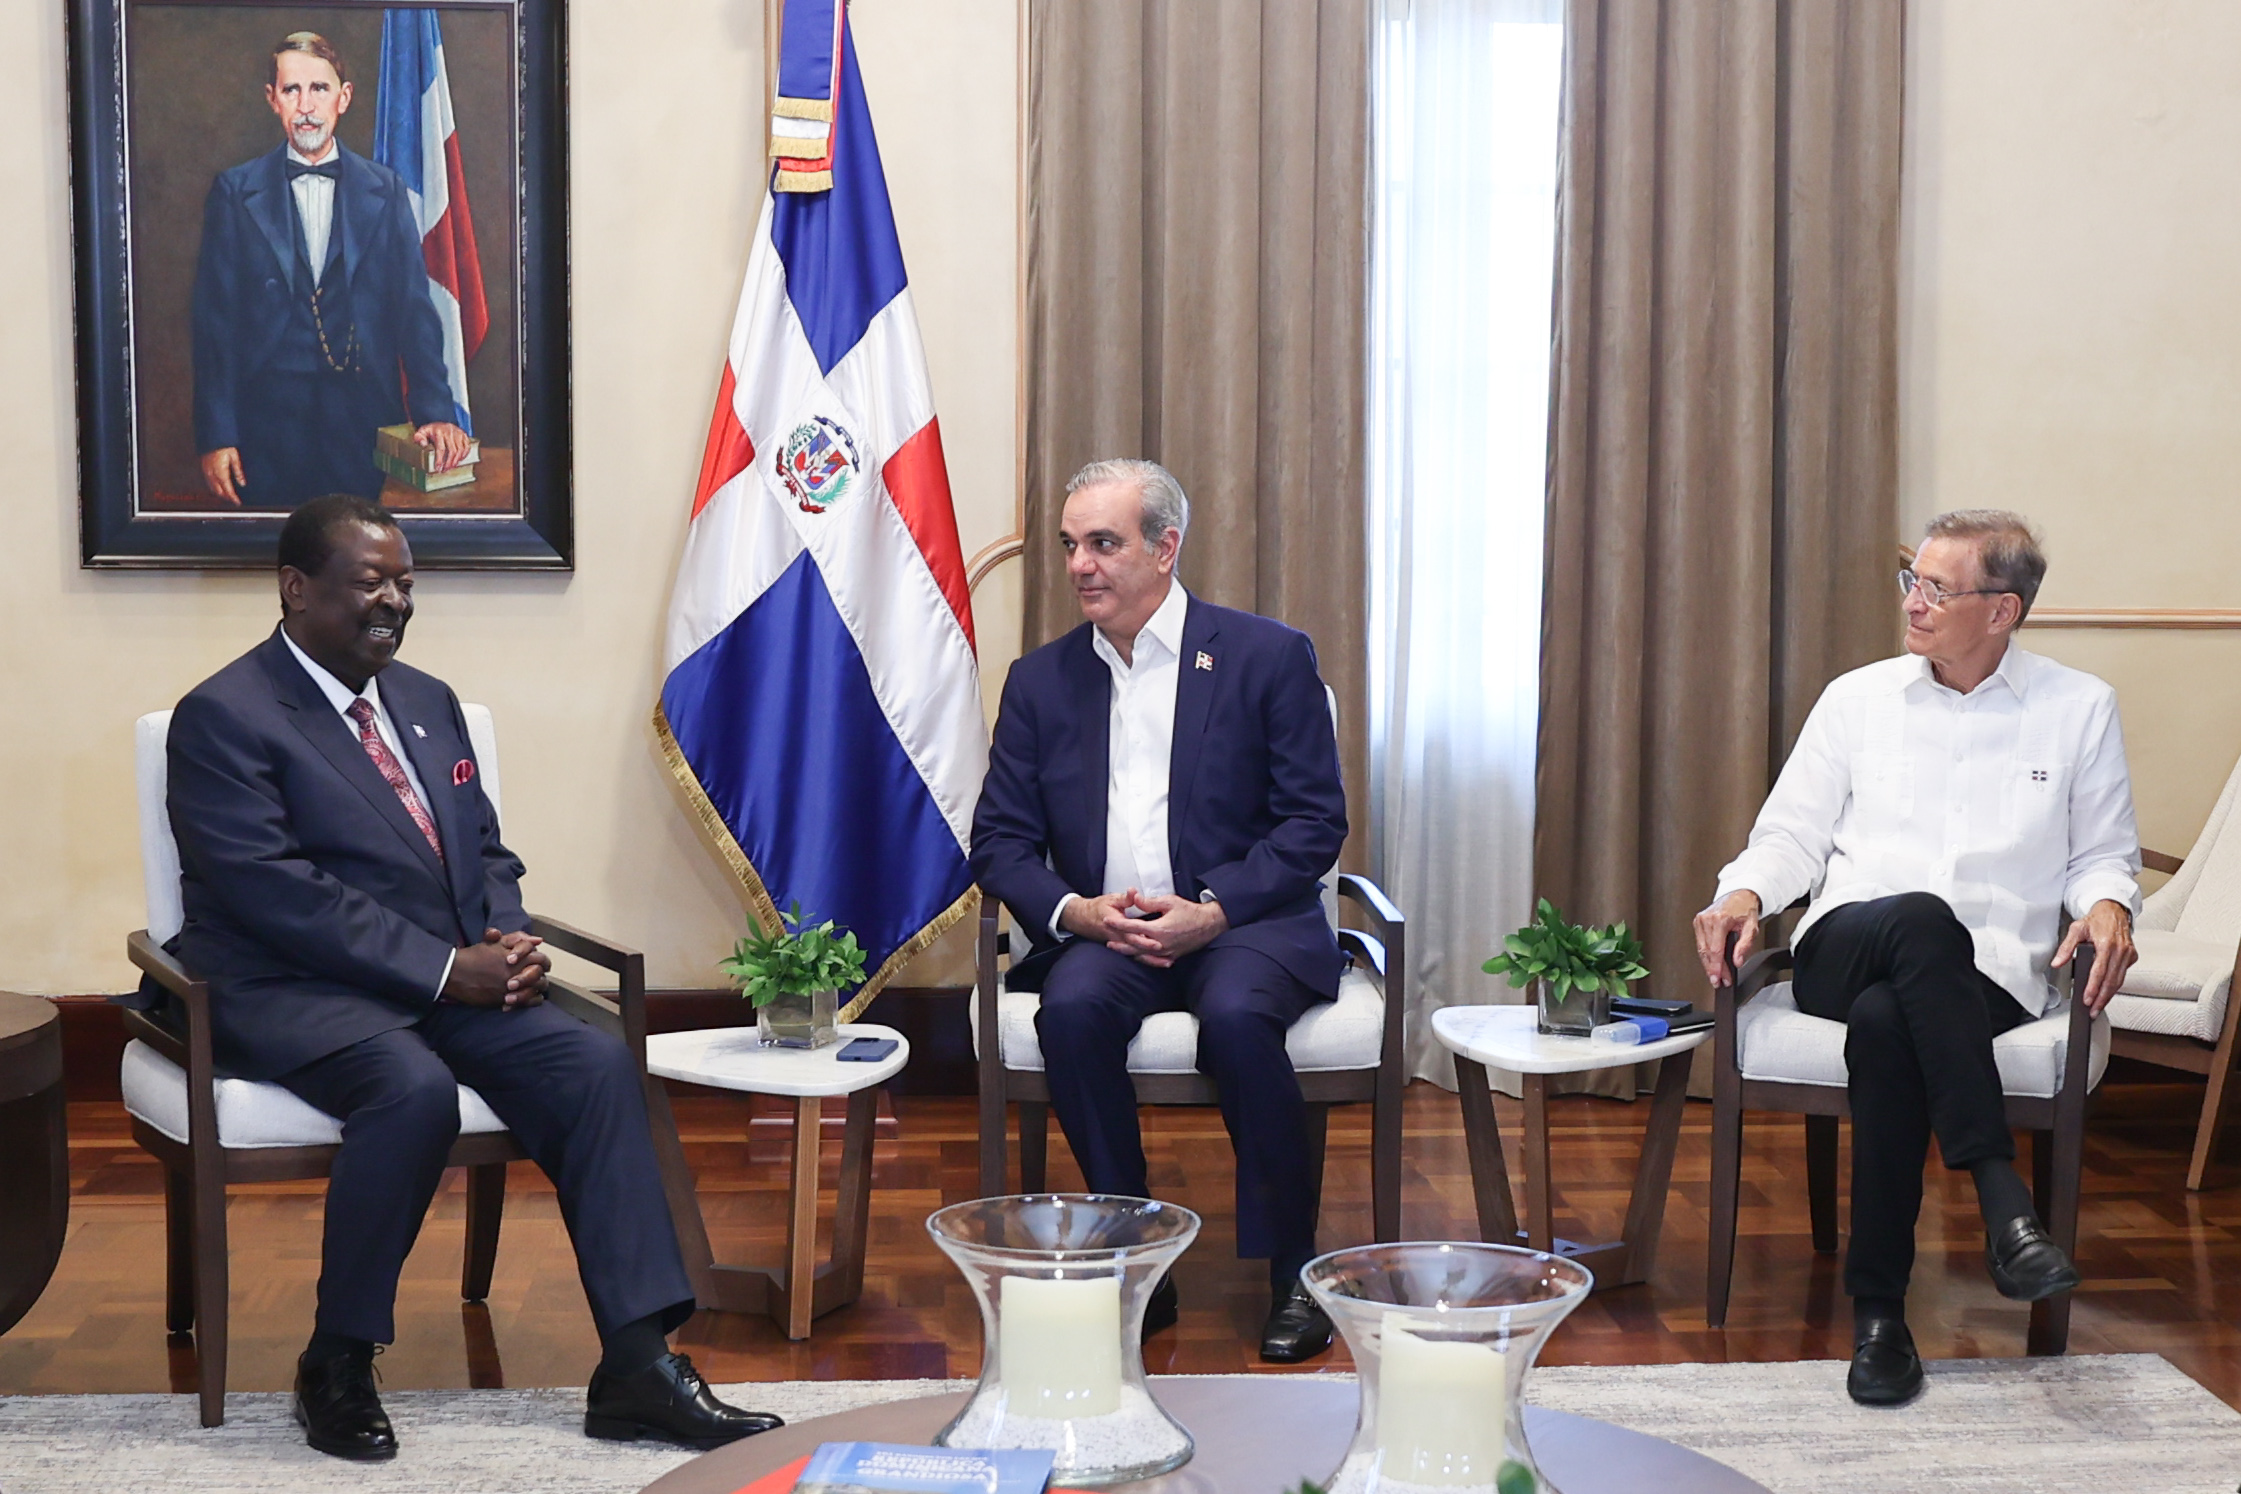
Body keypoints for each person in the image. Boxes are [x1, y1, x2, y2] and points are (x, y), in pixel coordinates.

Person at [157, 495, 778, 1459]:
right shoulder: (223, 717)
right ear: (296, 588)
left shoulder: (426, 700)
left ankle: (636, 1365)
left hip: (442, 978)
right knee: (409, 1092)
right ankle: (336, 1359)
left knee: (595, 1067)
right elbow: (275, 894)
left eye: (405, 584)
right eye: (371, 582)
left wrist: (506, 936)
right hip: (290, 986)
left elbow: (483, 848)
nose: (395, 602)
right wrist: (448, 969)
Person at [1693, 509, 2140, 1407]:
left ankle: (1878, 1320)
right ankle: (2001, 1199)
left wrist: (2107, 904)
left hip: (1990, 977)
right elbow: (1788, 836)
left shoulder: (2077, 707)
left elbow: (2101, 854)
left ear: (2002, 610)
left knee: (1888, 1023)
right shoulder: (1855, 699)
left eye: (1938, 588)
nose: (1914, 603)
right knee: (1920, 922)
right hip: (1845, 947)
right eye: (1913, 581)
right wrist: (1742, 894)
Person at [970, 459, 1349, 1363]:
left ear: (1165, 548)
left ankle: (1294, 1272)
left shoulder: (1265, 656)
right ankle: (1139, 1257)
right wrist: (1075, 911)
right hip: (1109, 932)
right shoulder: (1040, 680)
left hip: (1243, 925)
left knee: (1237, 1019)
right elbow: (998, 842)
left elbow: (1314, 822)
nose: (1080, 565)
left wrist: (1212, 911)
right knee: (1070, 1013)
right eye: (1071, 545)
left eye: (1103, 543)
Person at [191, 33, 472, 510]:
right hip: (266, 427)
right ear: (272, 99)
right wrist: (217, 435)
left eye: (319, 89)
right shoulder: (235, 191)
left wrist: (435, 412)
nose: (306, 106)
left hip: (363, 423)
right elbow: (214, 325)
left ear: (344, 97)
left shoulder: (385, 189)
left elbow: (413, 310)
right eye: (291, 90)